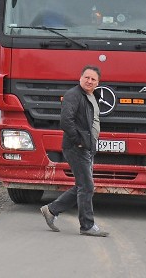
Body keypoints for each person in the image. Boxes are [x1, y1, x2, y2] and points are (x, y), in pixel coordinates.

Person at [40, 65, 109, 237]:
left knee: (82, 185)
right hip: (76, 147)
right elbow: (65, 121)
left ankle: (51, 210)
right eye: (87, 77)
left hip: (87, 147)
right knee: (87, 186)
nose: (89, 81)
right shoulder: (73, 95)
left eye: (93, 79)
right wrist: (79, 140)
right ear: (80, 78)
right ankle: (87, 225)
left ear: (98, 82)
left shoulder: (91, 96)